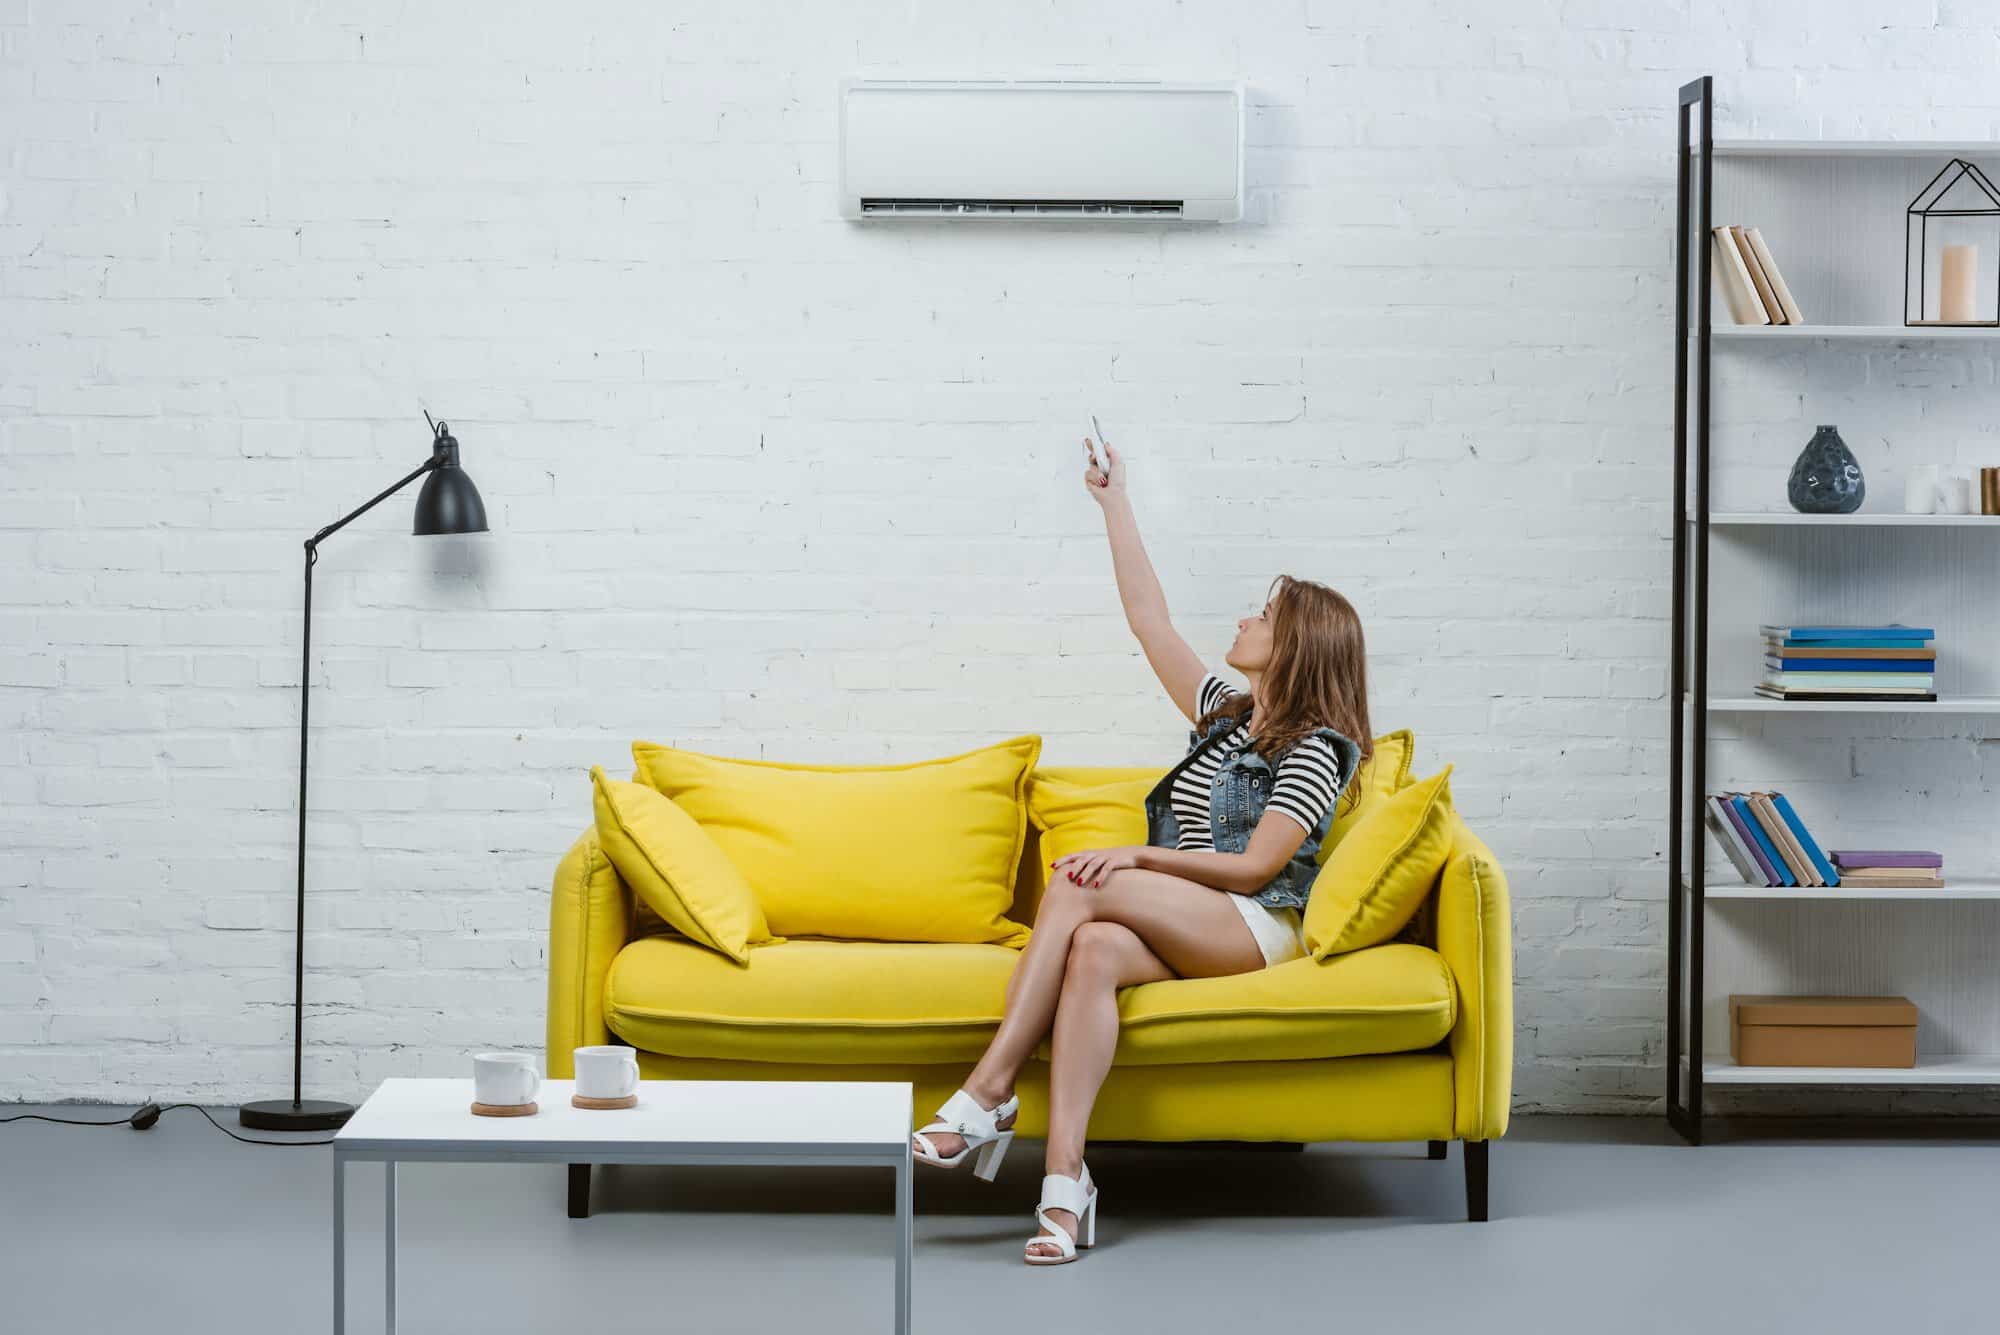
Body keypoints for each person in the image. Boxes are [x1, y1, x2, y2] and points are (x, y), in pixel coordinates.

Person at [909, 436, 1373, 1265]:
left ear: (1297, 645)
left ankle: (989, 1091)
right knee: (1091, 947)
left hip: (1252, 925)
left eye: (1261, 616)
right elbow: (1148, 616)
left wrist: (1140, 857)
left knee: (1084, 880)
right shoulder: (1227, 718)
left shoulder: (1316, 747)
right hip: (1192, 919)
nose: (1242, 619)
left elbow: (1259, 870)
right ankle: (1064, 1190)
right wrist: (1114, 502)